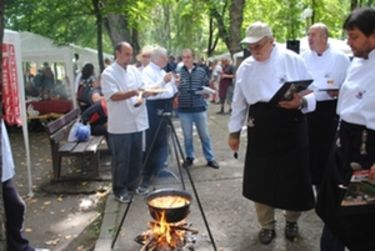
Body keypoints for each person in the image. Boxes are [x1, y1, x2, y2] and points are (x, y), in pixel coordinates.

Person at [227, 21, 316, 245]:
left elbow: (312, 94)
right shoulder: (245, 67)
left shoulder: (292, 59)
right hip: (261, 125)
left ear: (271, 40)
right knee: (261, 178)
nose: (254, 51)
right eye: (251, 47)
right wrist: (234, 132)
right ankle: (266, 224)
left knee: (293, 176)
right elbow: (238, 102)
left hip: (291, 123)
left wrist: (301, 102)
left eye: (259, 46)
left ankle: (292, 220)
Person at [316, 7, 375, 251]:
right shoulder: (357, 62)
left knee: (360, 221)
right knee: (331, 211)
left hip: (366, 152)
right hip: (342, 146)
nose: (349, 42)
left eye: (354, 37)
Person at [302, 23, 351, 192]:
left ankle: (326, 185)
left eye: (313, 35)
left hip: (330, 109)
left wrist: (339, 92)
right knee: (309, 148)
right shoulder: (304, 57)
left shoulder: (341, 58)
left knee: (327, 149)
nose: (310, 39)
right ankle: (311, 183)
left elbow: (349, 85)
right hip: (308, 109)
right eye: (309, 35)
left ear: (324, 37)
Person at [101, 42, 149, 203]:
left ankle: (133, 185)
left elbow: (142, 88)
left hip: (136, 120)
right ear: (117, 53)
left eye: (131, 54)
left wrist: (144, 95)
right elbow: (113, 95)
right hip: (120, 124)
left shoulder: (134, 71)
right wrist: (133, 93)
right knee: (121, 160)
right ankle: (119, 189)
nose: (129, 57)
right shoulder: (108, 73)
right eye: (126, 54)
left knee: (136, 156)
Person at [1, 120, 49, 251]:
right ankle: (19, 246)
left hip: (5, 172)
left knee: (16, 207)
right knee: (16, 206)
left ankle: (18, 246)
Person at [137, 46, 179, 194]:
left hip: (165, 107)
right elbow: (148, 92)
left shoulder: (162, 72)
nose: (167, 60)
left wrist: (175, 85)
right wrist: (163, 82)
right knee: (151, 142)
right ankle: (145, 176)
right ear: (158, 58)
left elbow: (171, 91)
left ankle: (159, 168)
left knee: (162, 141)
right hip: (153, 109)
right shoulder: (147, 72)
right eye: (165, 57)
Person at [177, 48, 219, 169]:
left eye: (188, 57)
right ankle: (189, 157)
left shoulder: (201, 71)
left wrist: (206, 92)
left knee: (205, 135)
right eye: (184, 57)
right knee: (187, 136)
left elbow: (206, 86)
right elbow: (176, 89)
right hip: (184, 109)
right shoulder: (179, 72)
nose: (186, 59)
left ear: (193, 58)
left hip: (199, 108)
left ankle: (210, 158)